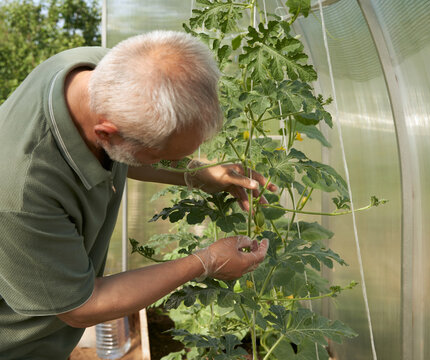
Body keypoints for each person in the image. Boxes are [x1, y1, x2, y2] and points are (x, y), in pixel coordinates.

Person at [0, 30, 275, 359]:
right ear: (107, 133)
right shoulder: (23, 191)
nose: (172, 163)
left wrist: (201, 174)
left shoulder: (113, 70)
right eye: (163, 156)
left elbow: (125, 152)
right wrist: (207, 261)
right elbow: (81, 306)